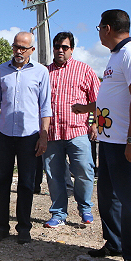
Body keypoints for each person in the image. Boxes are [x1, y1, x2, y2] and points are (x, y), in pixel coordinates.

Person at [76, 9, 131, 261]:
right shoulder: (115, 56)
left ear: (107, 28)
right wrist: (87, 108)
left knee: (130, 200)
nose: (98, 33)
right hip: (108, 140)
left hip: (123, 140)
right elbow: (113, 97)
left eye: (98, 28)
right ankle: (115, 243)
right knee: (108, 197)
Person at [0, 32, 51, 244]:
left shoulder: (41, 72)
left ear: (32, 49)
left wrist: (44, 134)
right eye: (16, 47)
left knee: (26, 183)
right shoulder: (1, 70)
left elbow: (45, 107)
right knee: (2, 181)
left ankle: (24, 227)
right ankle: (1, 226)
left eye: (23, 48)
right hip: (4, 133)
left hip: (29, 136)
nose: (19, 51)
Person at [43, 32, 100, 228]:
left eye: (64, 47)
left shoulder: (84, 70)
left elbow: (98, 101)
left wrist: (94, 123)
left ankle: (85, 207)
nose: (60, 50)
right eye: (57, 46)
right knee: (54, 175)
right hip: (52, 134)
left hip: (78, 132)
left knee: (84, 170)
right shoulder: (44, 73)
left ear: (72, 49)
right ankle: (58, 213)